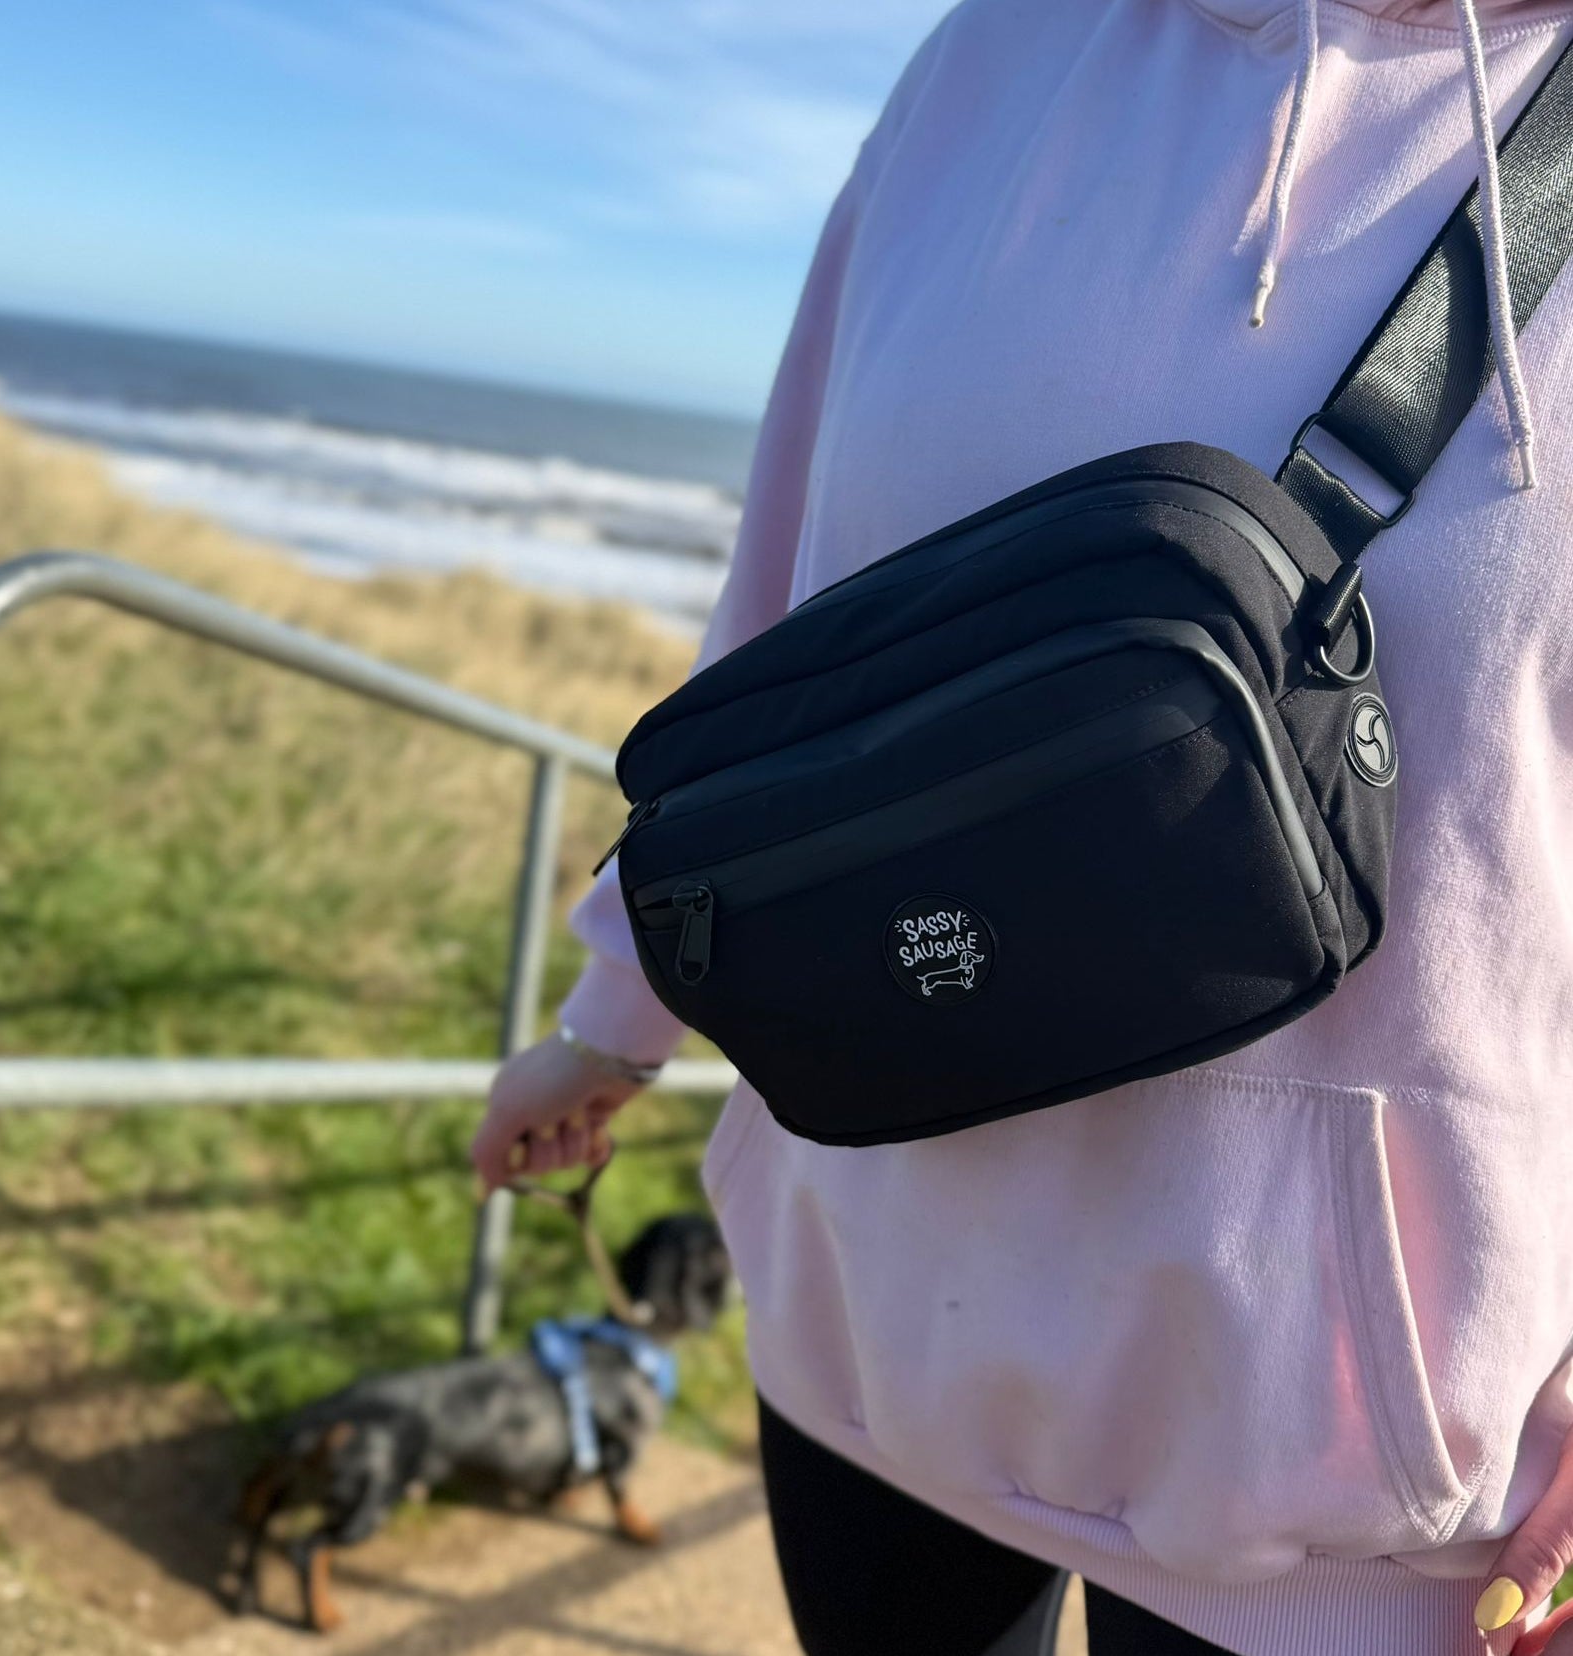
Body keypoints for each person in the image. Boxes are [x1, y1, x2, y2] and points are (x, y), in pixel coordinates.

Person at [472, 1, 1573, 1651]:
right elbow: (798, 615)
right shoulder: (1002, 48)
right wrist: (619, 1007)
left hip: (1371, 1472)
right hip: (872, 1313)